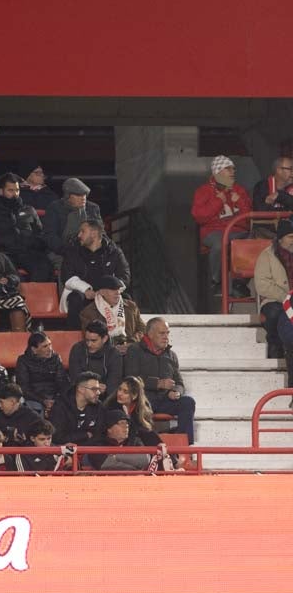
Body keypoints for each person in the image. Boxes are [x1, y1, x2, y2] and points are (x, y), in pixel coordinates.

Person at [123, 317, 196, 443]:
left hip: (165, 400)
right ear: (150, 334)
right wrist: (158, 383)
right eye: (162, 333)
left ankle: (185, 446)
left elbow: (179, 383)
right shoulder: (135, 350)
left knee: (188, 402)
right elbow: (131, 378)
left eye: (167, 333)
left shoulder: (171, 355)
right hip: (143, 399)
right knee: (138, 405)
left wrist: (177, 392)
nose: (166, 337)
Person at [192, 155, 253, 295]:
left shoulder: (239, 190)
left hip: (238, 232)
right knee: (221, 244)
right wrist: (218, 201)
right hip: (214, 232)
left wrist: (240, 202)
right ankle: (217, 282)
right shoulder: (203, 191)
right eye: (228, 169)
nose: (233, 172)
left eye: (233, 169)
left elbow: (249, 219)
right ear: (217, 172)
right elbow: (199, 217)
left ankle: (239, 284)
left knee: (255, 243)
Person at [60, 220, 131, 329]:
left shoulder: (114, 252)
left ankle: (124, 337)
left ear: (94, 233)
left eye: (82, 232)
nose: (79, 235)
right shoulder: (72, 251)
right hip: (83, 294)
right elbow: (67, 276)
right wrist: (86, 290)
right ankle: (74, 337)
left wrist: (110, 291)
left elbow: (124, 275)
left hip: (107, 294)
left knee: (126, 299)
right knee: (75, 298)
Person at [0, 173, 50, 282]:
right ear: (1, 191)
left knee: (44, 267)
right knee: (12, 277)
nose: (15, 194)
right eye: (10, 190)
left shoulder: (29, 210)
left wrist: (34, 242)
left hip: (28, 252)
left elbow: (40, 234)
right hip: (5, 254)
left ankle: (36, 298)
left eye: (17, 190)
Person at [253, 219, 293, 358]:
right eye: (291, 237)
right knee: (274, 313)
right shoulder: (267, 255)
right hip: (276, 300)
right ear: (281, 238)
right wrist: (287, 298)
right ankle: (275, 345)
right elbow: (262, 284)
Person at [78, 274, 144, 352]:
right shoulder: (88, 312)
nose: (118, 293)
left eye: (119, 289)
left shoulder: (131, 306)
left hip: (131, 350)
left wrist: (131, 343)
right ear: (102, 292)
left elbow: (142, 329)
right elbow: (91, 339)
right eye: (113, 289)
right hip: (105, 353)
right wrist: (113, 349)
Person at [43, 177, 103, 259]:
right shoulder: (55, 208)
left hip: (90, 251)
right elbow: (50, 236)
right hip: (62, 252)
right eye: (78, 195)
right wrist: (68, 251)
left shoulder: (92, 208)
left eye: (84, 194)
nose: (83, 198)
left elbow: (100, 232)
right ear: (68, 196)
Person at [15, 331, 69, 416]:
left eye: (50, 344)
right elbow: (24, 388)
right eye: (45, 346)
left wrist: (55, 400)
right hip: (33, 398)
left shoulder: (56, 358)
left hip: (54, 397)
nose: (50, 349)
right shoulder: (23, 361)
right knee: (36, 411)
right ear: (34, 350)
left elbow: (62, 382)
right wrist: (43, 401)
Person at [68, 320, 123, 401]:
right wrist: (93, 387)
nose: (89, 344)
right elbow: (75, 378)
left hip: (105, 398)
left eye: (93, 341)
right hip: (80, 395)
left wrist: (103, 389)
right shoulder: (77, 349)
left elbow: (113, 384)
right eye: (87, 340)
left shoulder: (114, 354)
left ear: (104, 339)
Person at [50, 371, 106, 447]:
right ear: (81, 389)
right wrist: (85, 435)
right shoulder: (61, 406)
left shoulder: (99, 406)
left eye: (98, 389)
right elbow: (57, 437)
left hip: (89, 452)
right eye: (94, 389)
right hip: (66, 451)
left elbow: (99, 436)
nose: (98, 392)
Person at [108, 375, 163, 447]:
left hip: (137, 441)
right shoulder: (111, 406)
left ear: (134, 396)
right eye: (120, 389)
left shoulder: (143, 408)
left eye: (125, 392)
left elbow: (146, 429)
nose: (120, 393)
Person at [0, 383, 43, 447]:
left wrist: (24, 442)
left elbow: (41, 443)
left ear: (12, 402)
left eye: (1, 402)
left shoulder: (34, 419)